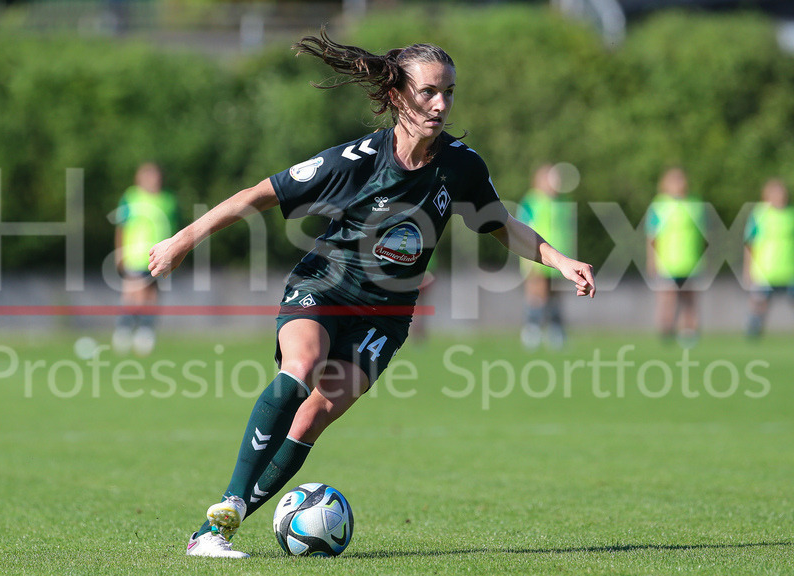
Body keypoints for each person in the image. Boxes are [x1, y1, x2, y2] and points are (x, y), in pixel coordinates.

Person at [148, 31, 596, 559]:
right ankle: (221, 512)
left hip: (385, 318)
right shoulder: (355, 160)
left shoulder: (461, 166)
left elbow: (502, 226)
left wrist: (560, 260)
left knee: (315, 416)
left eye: (449, 92)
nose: (441, 104)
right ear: (397, 95)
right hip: (324, 287)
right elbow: (258, 195)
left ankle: (223, 524)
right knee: (301, 367)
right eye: (429, 91)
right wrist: (180, 241)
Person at [113, 162, 179, 356]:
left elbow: (175, 228)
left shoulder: (169, 200)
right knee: (134, 294)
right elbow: (121, 226)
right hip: (135, 254)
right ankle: (124, 331)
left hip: (160, 255)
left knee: (152, 296)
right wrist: (120, 252)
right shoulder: (131, 197)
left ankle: (145, 332)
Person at [744, 178, 794, 340]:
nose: (779, 196)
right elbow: (750, 244)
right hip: (765, 271)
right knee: (759, 306)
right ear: (767, 195)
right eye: (775, 193)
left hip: (792, 270)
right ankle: (753, 338)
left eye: (781, 192)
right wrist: (747, 269)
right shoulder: (759, 214)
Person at [517, 164, 577, 350]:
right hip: (536, 255)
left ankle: (556, 330)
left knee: (555, 294)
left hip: (560, 256)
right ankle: (532, 329)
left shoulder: (563, 201)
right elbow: (520, 228)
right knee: (537, 293)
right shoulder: (532, 201)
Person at [646, 167, 706, 348]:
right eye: (674, 181)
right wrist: (652, 261)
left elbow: (703, 235)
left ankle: (688, 334)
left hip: (690, 261)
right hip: (667, 262)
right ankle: (666, 333)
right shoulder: (659, 206)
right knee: (667, 299)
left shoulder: (695, 204)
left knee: (689, 300)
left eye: (681, 180)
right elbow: (652, 237)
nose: (679, 184)